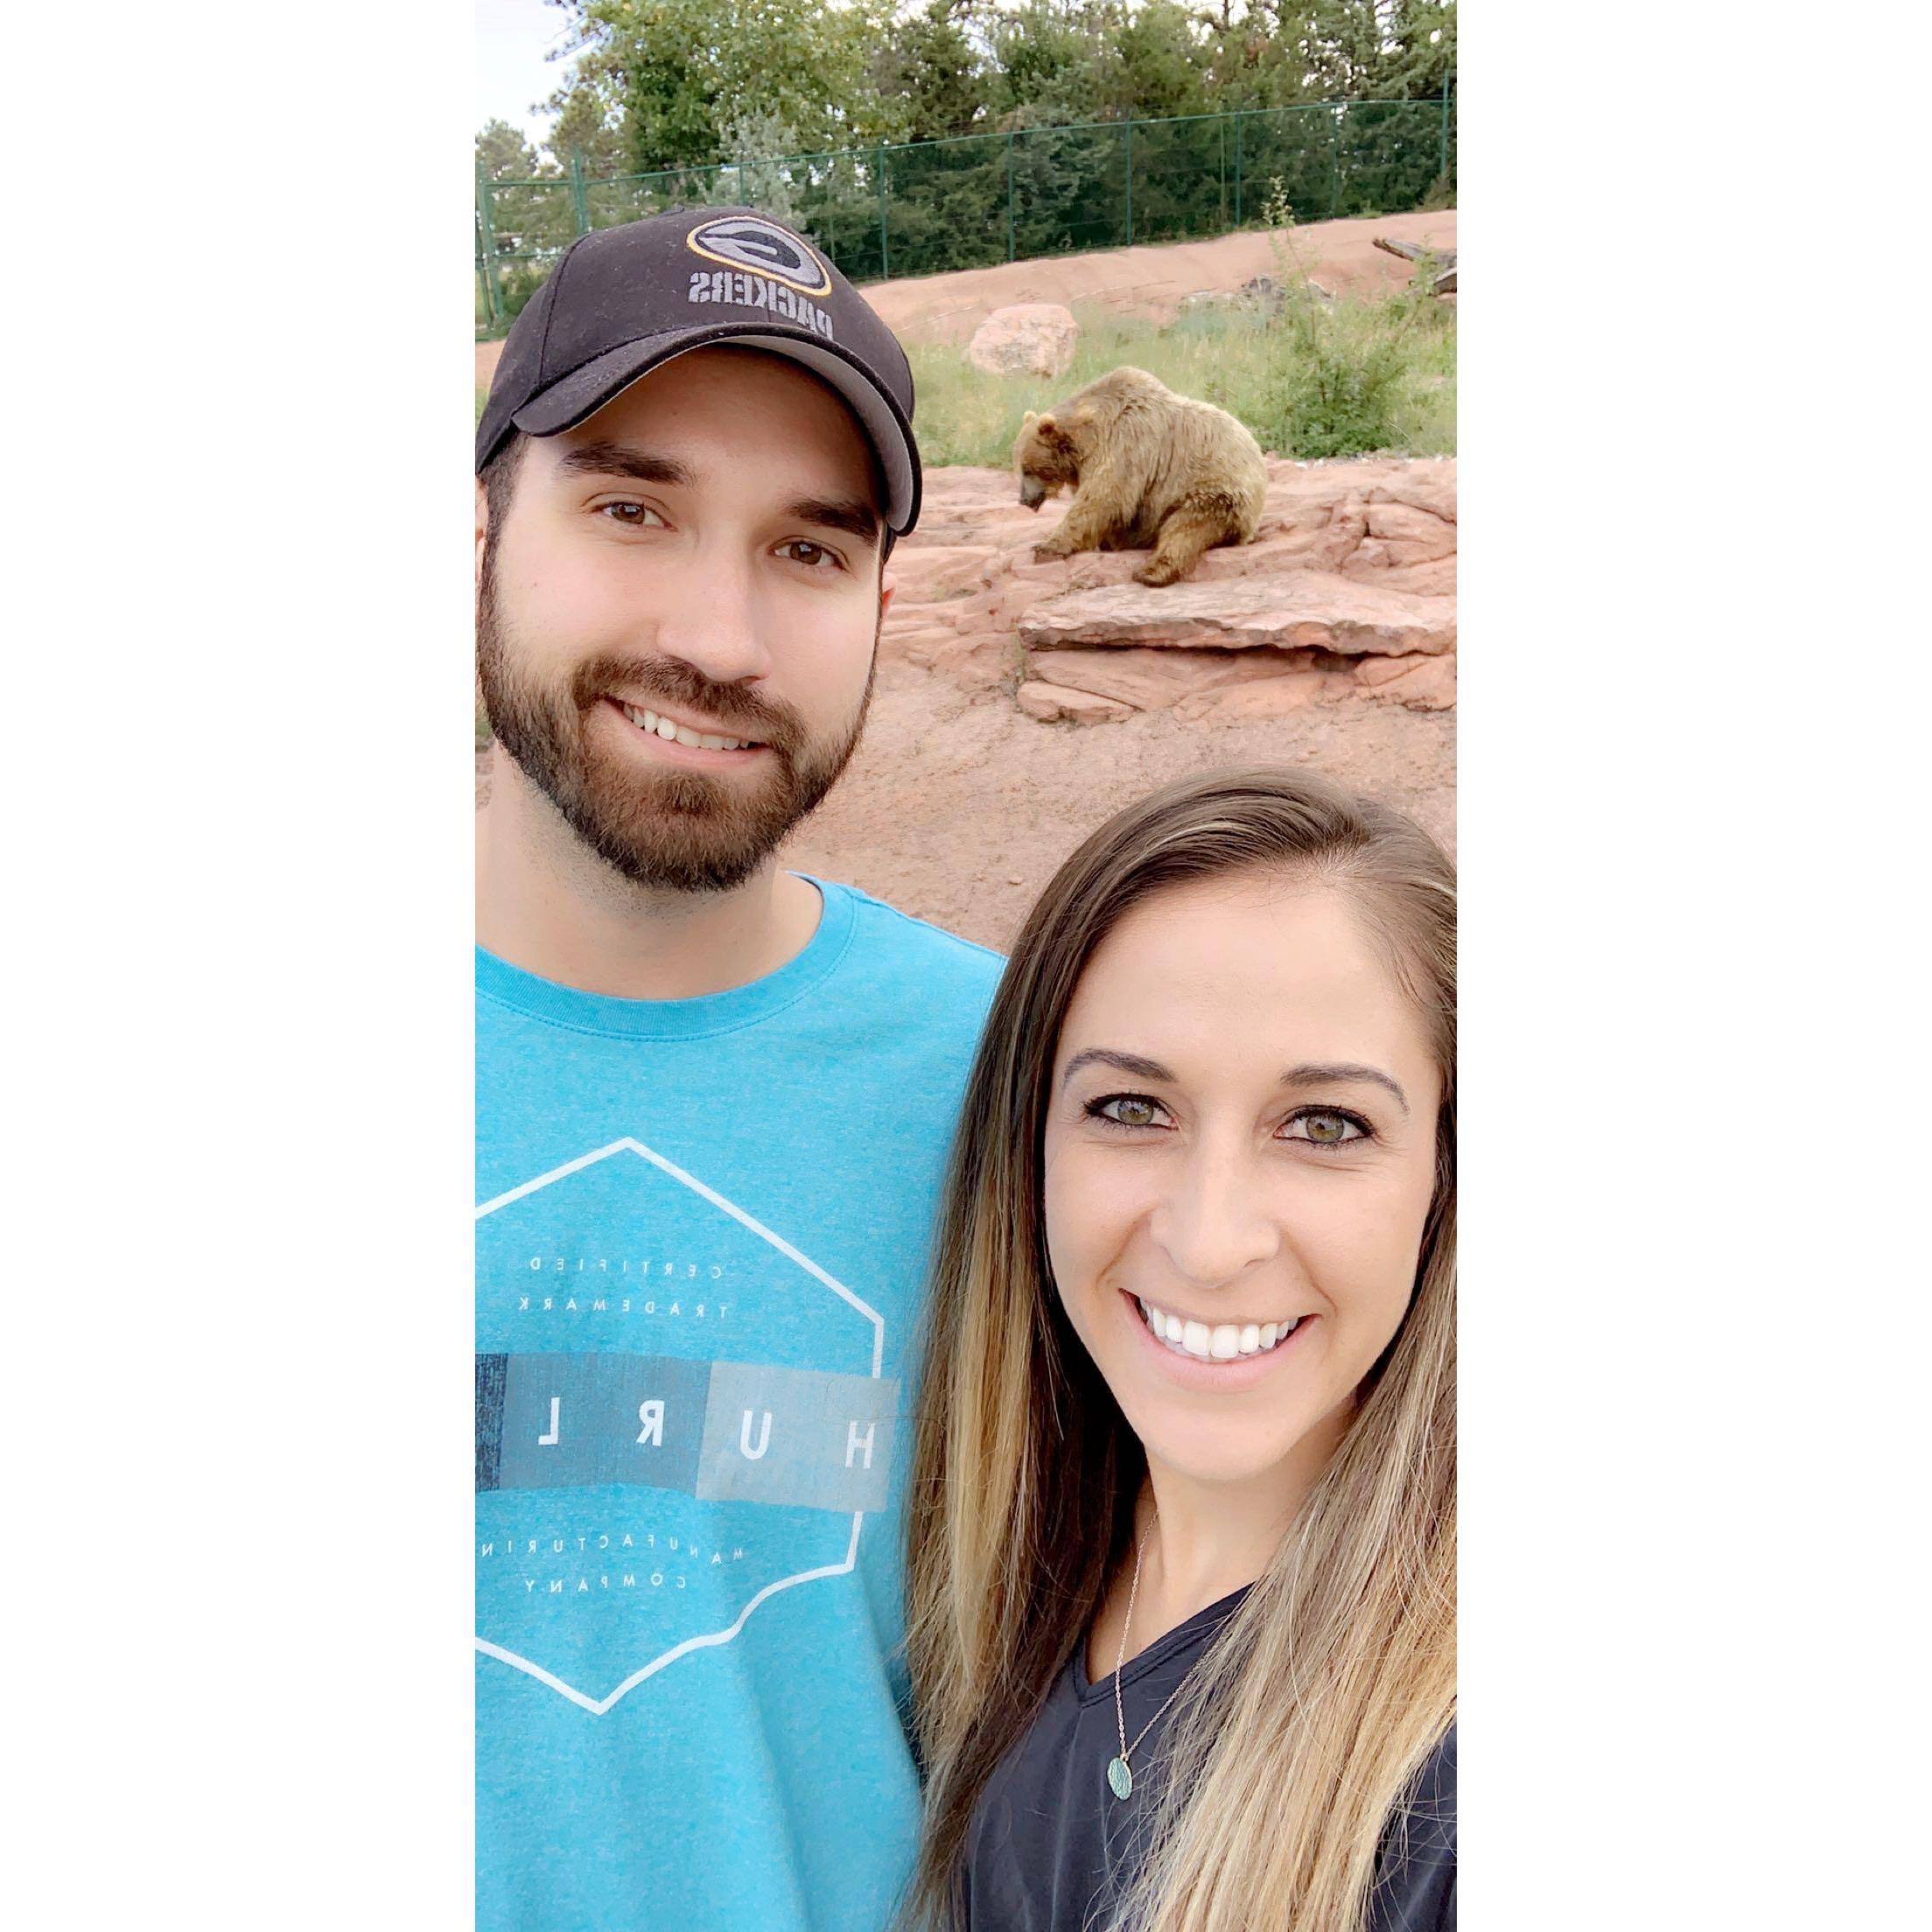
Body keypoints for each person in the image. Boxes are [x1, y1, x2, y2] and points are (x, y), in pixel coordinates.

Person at [473, 208, 1002, 1931]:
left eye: (808, 549)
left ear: (881, 603)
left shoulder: (1028, 1091)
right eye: (632, 509)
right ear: (477, 530)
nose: (720, 637)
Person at [903, 766, 1457, 1931]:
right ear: (1030, 1145)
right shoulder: (1028, 1580)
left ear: (1444, 1179)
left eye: (1326, 1125)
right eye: (1130, 1109)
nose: (1209, 1244)